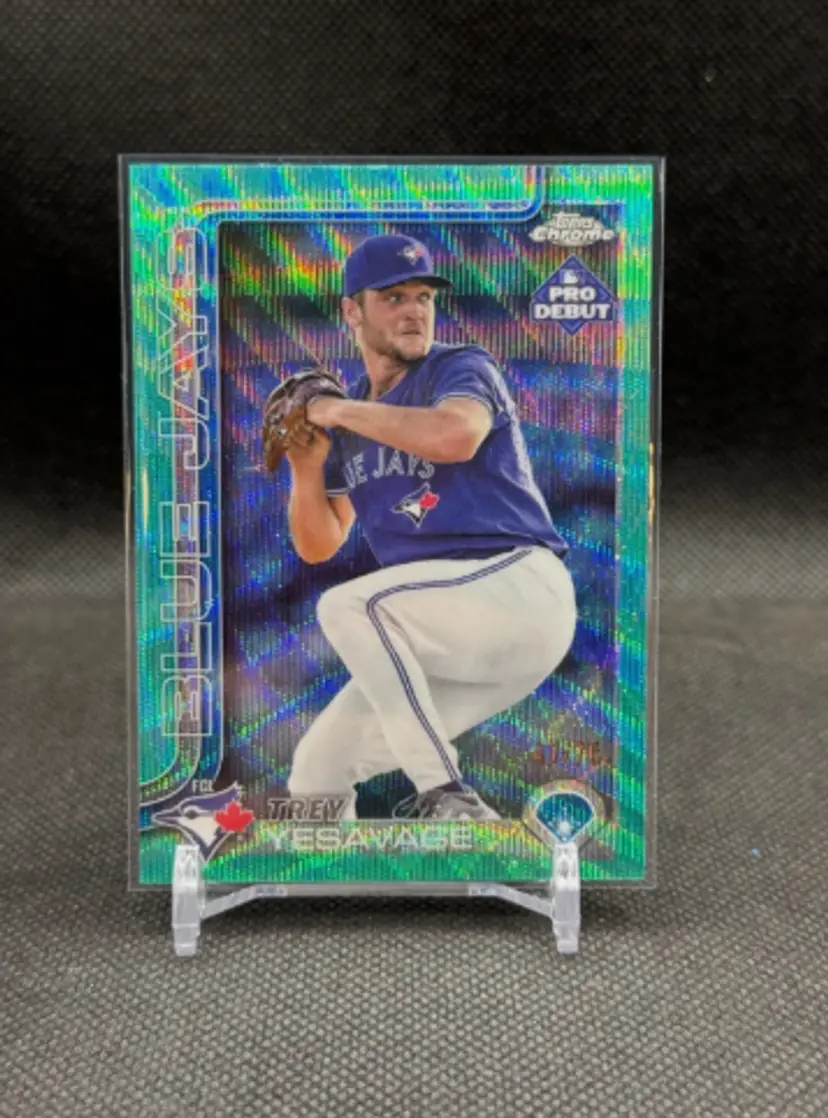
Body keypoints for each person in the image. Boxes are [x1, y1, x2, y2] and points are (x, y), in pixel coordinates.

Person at [282, 233, 577, 821]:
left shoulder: (458, 366)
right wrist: (305, 466)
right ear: (352, 312)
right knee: (317, 771)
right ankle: (346, 871)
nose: (414, 310)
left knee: (352, 606)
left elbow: (456, 435)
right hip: (450, 631)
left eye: (423, 296)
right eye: (393, 297)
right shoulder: (357, 415)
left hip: (516, 587)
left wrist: (334, 410)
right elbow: (319, 544)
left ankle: (447, 794)